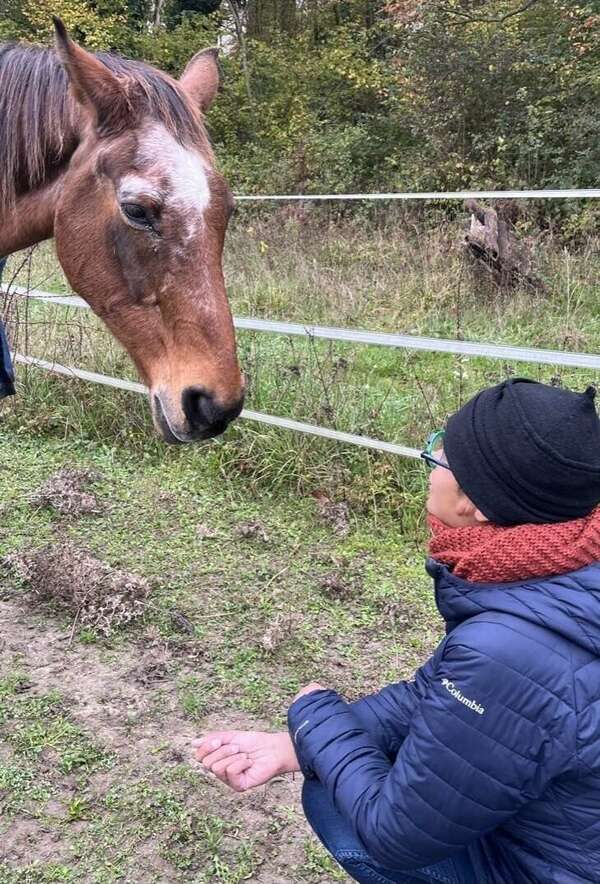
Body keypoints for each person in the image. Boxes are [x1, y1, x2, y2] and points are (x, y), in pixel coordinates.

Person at [195, 378, 600, 884]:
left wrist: (314, 716)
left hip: (550, 868)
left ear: (475, 503)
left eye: (440, 457)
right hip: (573, 833)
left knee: (331, 800)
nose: (430, 464)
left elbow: (396, 835)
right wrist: (294, 745)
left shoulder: (507, 648)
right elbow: (439, 694)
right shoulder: (567, 570)